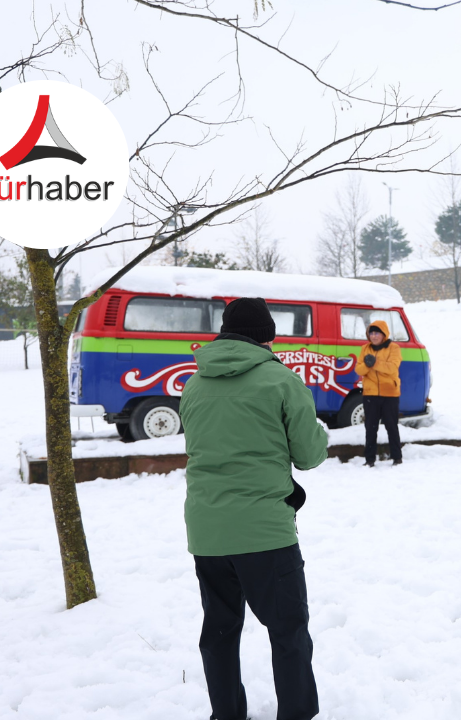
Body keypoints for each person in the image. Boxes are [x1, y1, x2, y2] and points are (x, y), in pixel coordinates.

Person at [179, 297, 328, 720]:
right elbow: (309, 455)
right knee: (288, 631)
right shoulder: (280, 380)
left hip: (207, 530)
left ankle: (226, 715)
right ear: (268, 336)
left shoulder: (195, 383)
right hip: (264, 531)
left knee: (220, 632)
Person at [356, 319, 403, 466]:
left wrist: (373, 363)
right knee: (370, 428)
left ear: (384, 334)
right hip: (370, 394)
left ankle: (397, 457)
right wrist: (367, 365)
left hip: (390, 393)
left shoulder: (393, 348)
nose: (374, 336)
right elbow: (359, 370)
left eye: (377, 333)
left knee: (391, 426)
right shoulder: (365, 348)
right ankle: (369, 460)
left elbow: (391, 368)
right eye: (371, 333)